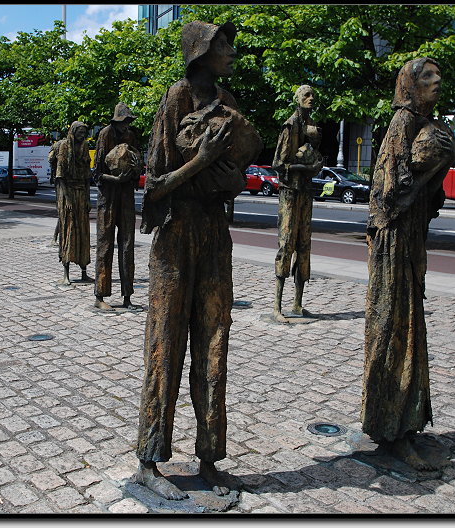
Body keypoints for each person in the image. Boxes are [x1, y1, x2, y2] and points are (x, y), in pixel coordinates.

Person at [135, 20, 261, 500]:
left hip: (213, 234)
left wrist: (230, 174)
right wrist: (201, 161)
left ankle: (209, 457)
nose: (231, 50)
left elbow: (240, 169)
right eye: (223, 44)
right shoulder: (175, 99)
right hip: (175, 236)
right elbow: (155, 185)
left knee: (213, 341)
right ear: (201, 51)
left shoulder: (228, 102)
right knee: (165, 344)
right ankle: (149, 459)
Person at [361, 58, 455, 470]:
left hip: (410, 241)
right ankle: (390, 429)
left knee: (409, 327)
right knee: (392, 329)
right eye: (426, 77)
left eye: (438, 75)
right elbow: (390, 197)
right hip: (393, 244)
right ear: (410, 85)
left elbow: (422, 198)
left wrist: (437, 167)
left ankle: (406, 423)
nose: (437, 82)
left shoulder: (424, 125)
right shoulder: (402, 124)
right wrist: (433, 164)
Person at [271, 85, 323, 323]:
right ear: (297, 100)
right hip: (290, 193)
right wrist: (305, 168)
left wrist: (314, 165)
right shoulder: (289, 126)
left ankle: (298, 304)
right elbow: (278, 164)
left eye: (312, 96)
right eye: (306, 96)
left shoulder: (310, 126)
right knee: (286, 243)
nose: (310, 99)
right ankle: (277, 307)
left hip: (305, 192)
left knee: (304, 244)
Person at [92, 103, 142, 311]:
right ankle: (100, 295)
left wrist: (131, 174)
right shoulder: (105, 134)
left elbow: (136, 164)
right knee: (105, 244)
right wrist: (114, 178)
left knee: (127, 243)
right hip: (108, 196)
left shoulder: (131, 136)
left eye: (128, 122)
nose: (126, 126)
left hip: (126, 195)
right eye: (124, 122)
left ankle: (127, 295)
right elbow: (96, 173)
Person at [55, 121, 94, 285]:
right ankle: (66, 273)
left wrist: (87, 198)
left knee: (83, 232)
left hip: (81, 194)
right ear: (73, 131)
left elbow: (86, 176)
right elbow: (60, 177)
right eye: (80, 132)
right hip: (68, 194)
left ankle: (84, 270)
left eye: (84, 132)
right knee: (69, 231)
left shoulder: (84, 146)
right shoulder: (64, 146)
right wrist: (68, 200)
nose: (82, 135)